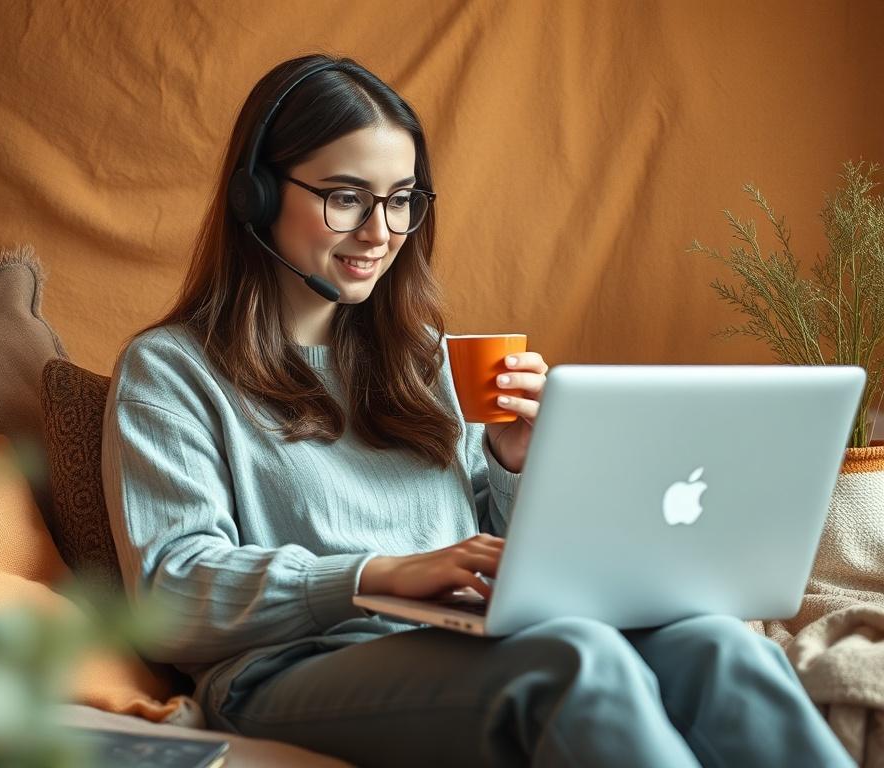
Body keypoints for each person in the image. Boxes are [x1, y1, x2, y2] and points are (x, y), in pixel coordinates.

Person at [100, 53, 853, 767]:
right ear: (256, 195)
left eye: (401, 201)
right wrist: (377, 574)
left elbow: (497, 557)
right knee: (572, 663)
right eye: (346, 197)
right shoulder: (171, 371)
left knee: (717, 642)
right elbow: (172, 591)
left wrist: (516, 461)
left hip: (466, 638)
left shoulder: (422, 357)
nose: (380, 232)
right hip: (291, 668)